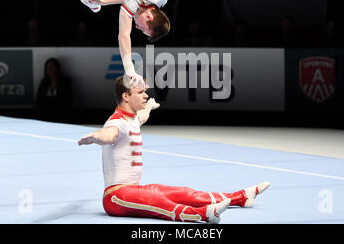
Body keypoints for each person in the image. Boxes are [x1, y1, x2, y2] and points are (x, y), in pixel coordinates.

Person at [77, 76, 270, 223]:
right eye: (140, 93)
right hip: (116, 196)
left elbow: (141, 118)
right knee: (158, 202)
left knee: (184, 193)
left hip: (135, 189)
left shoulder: (132, 118)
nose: (146, 95)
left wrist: (148, 108)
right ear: (126, 97)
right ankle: (203, 215)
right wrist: (96, 137)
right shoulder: (116, 122)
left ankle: (241, 198)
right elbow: (109, 135)